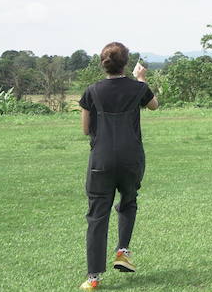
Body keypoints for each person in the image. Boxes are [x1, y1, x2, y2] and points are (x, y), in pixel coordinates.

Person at [78, 43, 158, 290]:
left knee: (97, 215)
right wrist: (141, 79)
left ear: (103, 63)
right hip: (131, 157)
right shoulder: (138, 88)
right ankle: (122, 251)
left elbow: (84, 129)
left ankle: (93, 278)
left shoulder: (92, 91)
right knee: (128, 201)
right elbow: (154, 105)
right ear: (125, 62)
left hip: (101, 159)